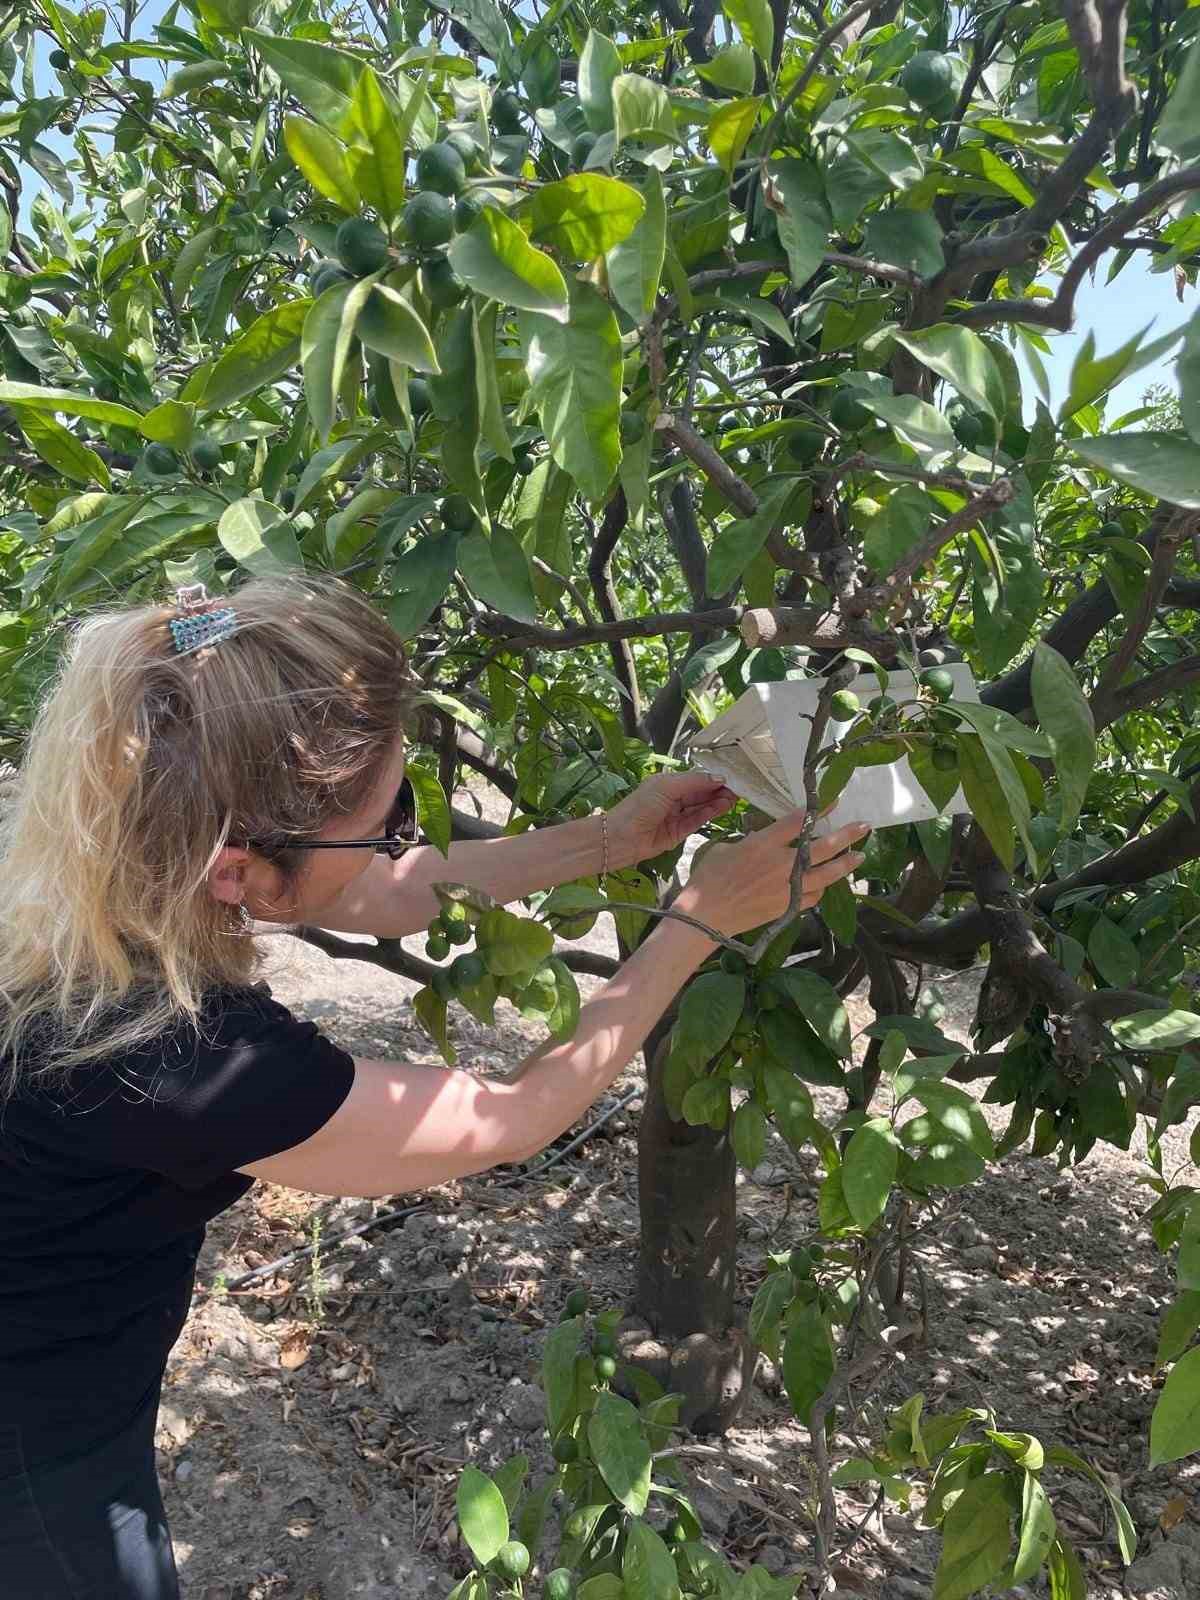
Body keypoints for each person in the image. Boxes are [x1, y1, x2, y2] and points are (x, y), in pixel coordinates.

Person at [0, 574, 868, 1598]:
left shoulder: (92, 860)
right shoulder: (190, 1065)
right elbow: (513, 1118)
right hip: (40, 1460)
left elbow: (376, 890)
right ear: (237, 868)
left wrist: (616, 838)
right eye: (388, 818)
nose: (403, 837)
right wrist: (699, 919)